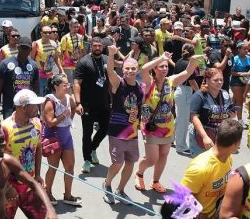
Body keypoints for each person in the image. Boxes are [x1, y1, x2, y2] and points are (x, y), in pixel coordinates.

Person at [135, 52, 202, 194]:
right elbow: (144, 69)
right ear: (155, 68)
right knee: (152, 158)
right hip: (151, 126)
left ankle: (155, 181)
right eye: (161, 66)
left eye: (166, 66)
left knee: (164, 155)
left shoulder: (171, 81)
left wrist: (193, 61)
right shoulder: (148, 82)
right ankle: (139, 173)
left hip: (167, 126)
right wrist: (161, 58)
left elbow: (187, 72)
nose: (165, 68)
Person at [102, 46, 143, 205]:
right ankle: (107, 185)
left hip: (132, 131)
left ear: (137, 69)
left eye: (133, 68)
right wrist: (111, 54)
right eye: (127, 68)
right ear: (123, 69)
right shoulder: (118, 83)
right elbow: (110, 71)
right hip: (117, 130)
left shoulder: (140, 88)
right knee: (117, 162)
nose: (130, 71)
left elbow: (139, 108)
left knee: (130, 162)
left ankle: (120, 190)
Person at [0, 89, 49, 218]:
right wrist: (8, 187)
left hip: (29, 186)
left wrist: (37, 175)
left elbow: (38, 148)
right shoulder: (4, 128)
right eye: (34, 106)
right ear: (23, 107)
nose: (38, 109)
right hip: (10, 189)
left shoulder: (37, 124)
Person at [181, 119, 243, 219]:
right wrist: (197, 213)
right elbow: (182, 195)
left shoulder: (228, 158)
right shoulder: (200, 167)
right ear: (236, 144)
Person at [42, 75, 81, 206]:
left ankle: (68, 195)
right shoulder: (50, 101)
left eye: (68, 84)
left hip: (66, 137)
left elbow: (74, 109)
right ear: (56, 87)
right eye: (64, 85)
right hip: (53, 138)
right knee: (53, 167)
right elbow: (50, 123)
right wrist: (64, 115)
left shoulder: (69, 98)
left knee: (70, 166)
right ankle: (48, 194)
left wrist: (68, 121)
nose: (68, 87)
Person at [73, 37, 110, 173]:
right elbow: (77, 83)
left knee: (105, 129)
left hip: (104, 103)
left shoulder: (106, 59)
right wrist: (78, 103)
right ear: (91, 46)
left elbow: (113, 76)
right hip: (87, 104)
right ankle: (87, 160)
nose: (97, 48)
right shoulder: (84, 62)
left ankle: (93, 148)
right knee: (87, 133)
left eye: (99, 46)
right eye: (95, 45)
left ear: (103, 47)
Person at [188, 68, 236, 156]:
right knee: (202, 167)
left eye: (221, 80)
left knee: (217, 167)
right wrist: (205, 137)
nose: (219, 82)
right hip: (202, 136)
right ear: (207, 80)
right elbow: (194, 117)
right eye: (216, 80)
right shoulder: (199, 95)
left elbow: (229, 112)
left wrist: (232, 116)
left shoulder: (225, 94)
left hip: (220, 137)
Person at [0, 37, 39, 119]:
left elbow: (36, 88)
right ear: (18, 47)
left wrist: (38, 109)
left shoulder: (34, 65)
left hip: (28, 108)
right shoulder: (5, 64)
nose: (24, 50)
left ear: (31, 49)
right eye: (22, 47)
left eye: (27, 48)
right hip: (10, 108)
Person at [174, 44, 200, 156]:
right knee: (183, 121)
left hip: (179, 90)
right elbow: (192, 82)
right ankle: (181, 146)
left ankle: (171, 139)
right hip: (184, 91)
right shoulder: (188, 64)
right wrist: (199, 93)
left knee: (179, 118)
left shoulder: (179, 61)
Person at [31, 24, 63, 96]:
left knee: (49, 96)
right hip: (39, 75)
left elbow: (56, 57)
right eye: (45, 32)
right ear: (41, 33)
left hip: (50, 75)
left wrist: (61, 69)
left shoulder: (53, 43)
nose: (47, 34)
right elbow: (31, 60)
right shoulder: (36, 44)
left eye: (49, 32)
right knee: (40, 96)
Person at [230, 41, 250, 126]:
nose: (246, 50)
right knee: (240, 101)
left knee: (235, 100)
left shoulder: (249, 58)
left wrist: (248, 73)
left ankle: (227, 115)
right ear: (239, 50)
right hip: (236, 82)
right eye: (244, 49)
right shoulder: (235, 59)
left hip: (245, 81)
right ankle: (240, 120)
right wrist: (242, 74)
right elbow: (231, 72)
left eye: (247, 49)